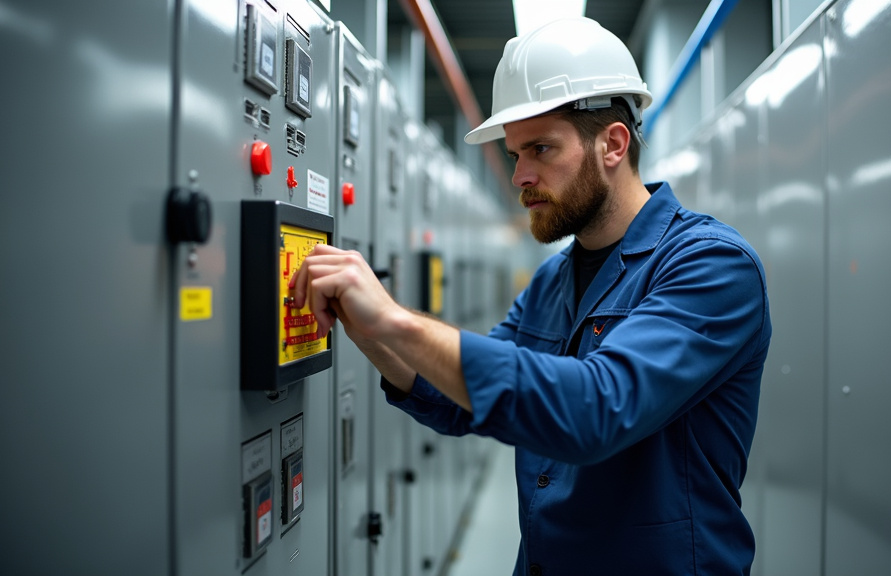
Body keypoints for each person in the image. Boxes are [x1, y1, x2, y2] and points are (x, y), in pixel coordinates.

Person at [290, 17, 771, 576]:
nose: (520, 175)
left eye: (540, 148)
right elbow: (458, 398)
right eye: (516, 153)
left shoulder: (710, 265)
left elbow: (595, 410)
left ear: (613, 144)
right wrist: (370, 331)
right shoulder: (552, 281)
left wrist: (398, 321)